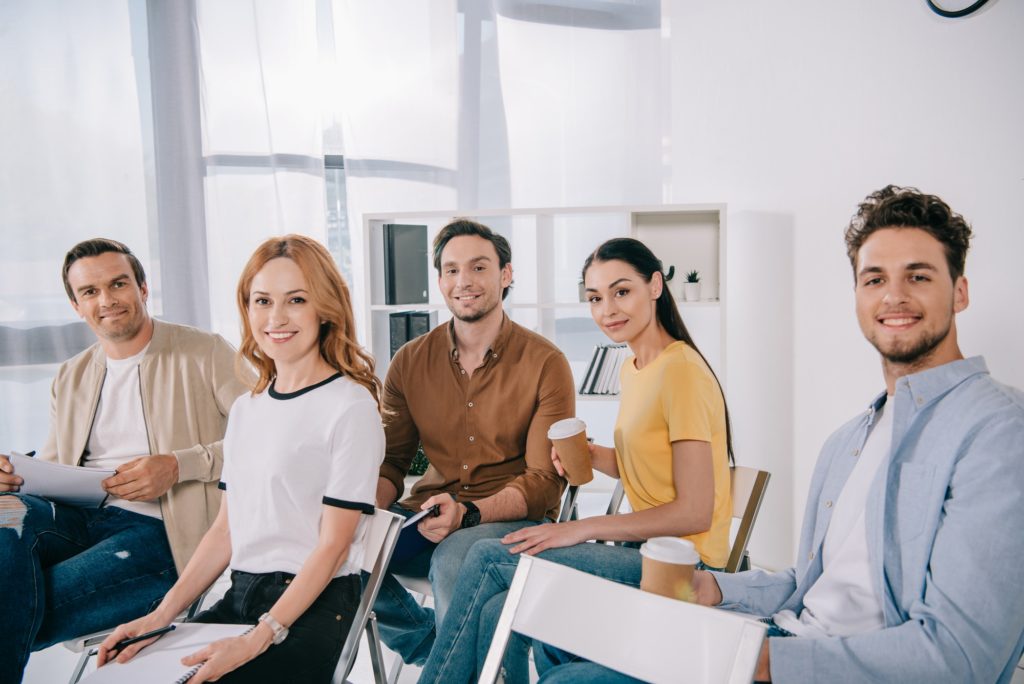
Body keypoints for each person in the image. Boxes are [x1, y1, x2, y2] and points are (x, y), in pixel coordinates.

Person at [543, 186, 1024, 683]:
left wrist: (756, 660)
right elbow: (808, 583)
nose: (893, 296)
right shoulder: (850, 439)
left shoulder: (996, 431)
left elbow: (960, 660)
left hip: (806, 662)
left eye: (918, 276)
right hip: (776, 632)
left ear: (960, 291)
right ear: (858, 297)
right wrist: (712, 591)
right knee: (559, 637)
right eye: (874, 278)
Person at [417, 236, 735, 683]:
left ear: (656, 286)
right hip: (644, 552)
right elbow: (655, 467)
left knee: (489, 558)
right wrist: (594, 456)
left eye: (622, 292)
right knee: (492, 609)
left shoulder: (680, 371)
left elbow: (693, 509)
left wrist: (578, 529)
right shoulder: (636, 367)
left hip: (685, 568)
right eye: (595, 298)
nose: (608, 309)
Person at [96, 235, 385, 683]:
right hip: (242, 592)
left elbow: (334, 546)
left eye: (296, 300)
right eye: (262, 301)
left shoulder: (350, 406)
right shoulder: (249, 408)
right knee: (128, 673)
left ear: (324, 309)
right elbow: (225, 530)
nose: (277, 317)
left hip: (315, 605)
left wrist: (260, 635)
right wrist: (160, 616)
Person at [0, 238, 249, 684]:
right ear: (76, 305)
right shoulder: (71, 374)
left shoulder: (204, 351)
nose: (107, 300)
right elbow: (58, 464)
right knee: (3, 513)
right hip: (79, 518)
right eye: (90, 292)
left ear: (143, 288)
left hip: (161, 534)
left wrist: (180, 465)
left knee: (15, 603)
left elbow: (270, 440)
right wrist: (17, 478)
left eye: (118, 284)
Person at [371, 218, 576, 664]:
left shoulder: (546, 363)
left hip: (506, 519)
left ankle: (458, 662)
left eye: (479, 267)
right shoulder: (408, 362)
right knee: (339, 551)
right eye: (451, 270)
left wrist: (468, 514)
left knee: (453, 563)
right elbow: (392, 463)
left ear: (506, 275)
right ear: (440, 280)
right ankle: (440, 653)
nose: (463, 281)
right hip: (426, 513)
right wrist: (365, 512)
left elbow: (544, 481)